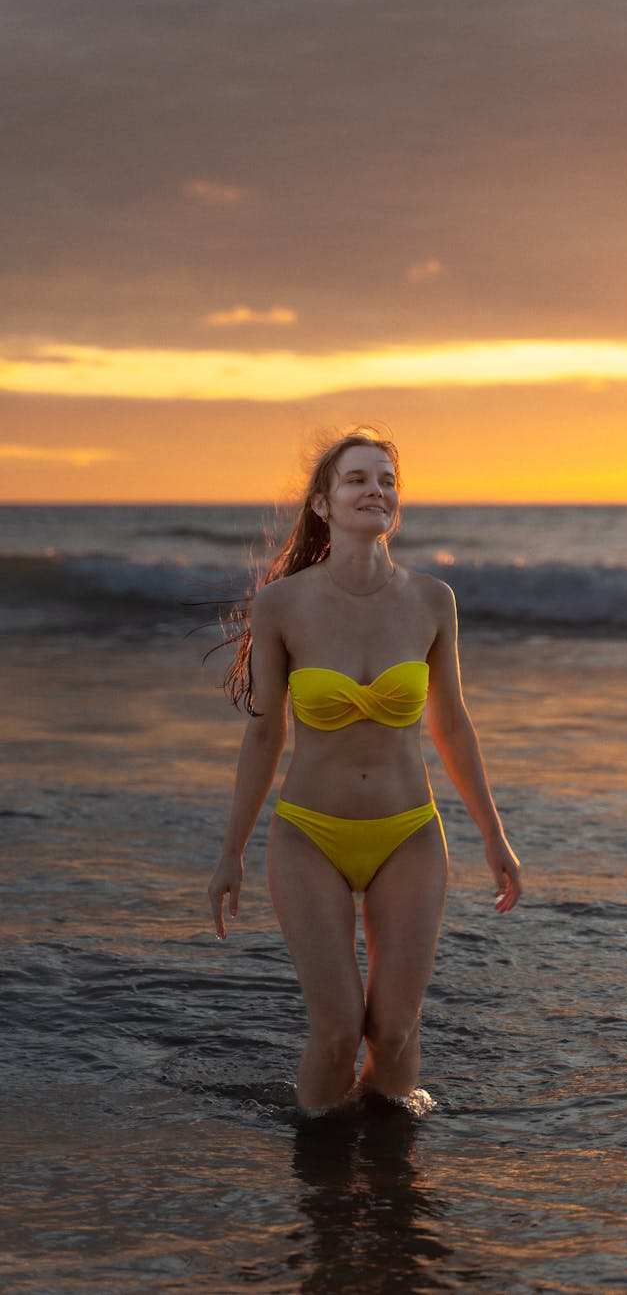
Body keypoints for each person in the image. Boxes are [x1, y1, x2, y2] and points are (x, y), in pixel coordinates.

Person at [207, 429, 522, 1114]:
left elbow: (453, 726)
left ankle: (390, 1163)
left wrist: (495, 837)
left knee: (394, 1027)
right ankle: (319, 1163)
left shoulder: (431, 600)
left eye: (386, 479)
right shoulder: (281, 605)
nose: (374, 490)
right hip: (307, 836)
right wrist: (231, 852)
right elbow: (264, 734)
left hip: (408, 831)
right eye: (356, 479)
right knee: (338, 1027)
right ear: (323, 503)